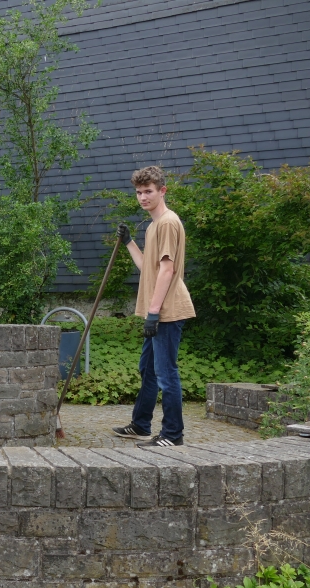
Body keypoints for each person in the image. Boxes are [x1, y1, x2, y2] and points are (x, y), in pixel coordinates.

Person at [112, 166, 196, 448]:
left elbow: (167, 270)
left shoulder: (168, 223)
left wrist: (154, 312)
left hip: (167, 310)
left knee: (165, 373)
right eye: (138, 192)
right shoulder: (153, 226)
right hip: (158, 310)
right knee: (147, 369)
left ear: (162, 191)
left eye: (148, 191)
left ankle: (173, 434)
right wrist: (128, 242)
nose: (142, 197)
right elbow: (148, 266)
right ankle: (140, 425)